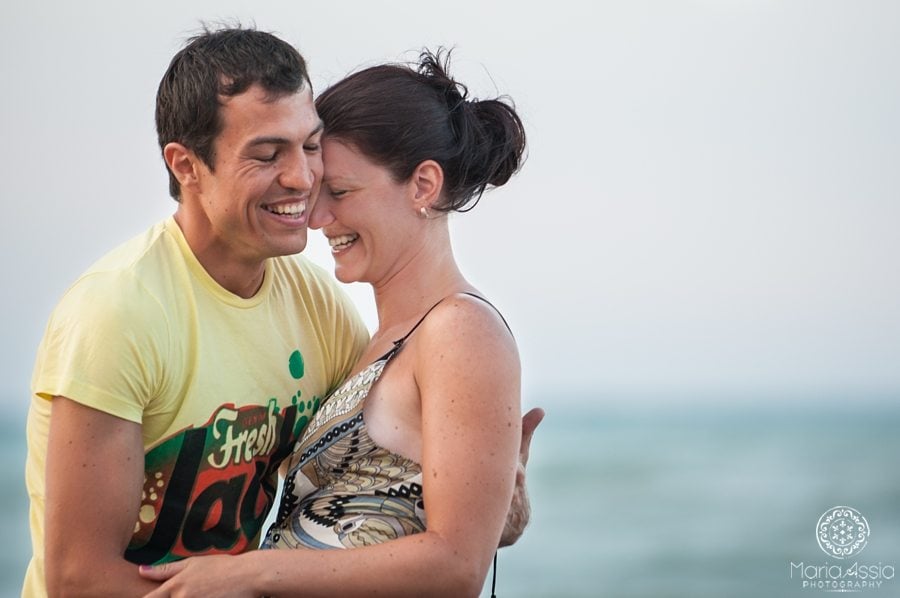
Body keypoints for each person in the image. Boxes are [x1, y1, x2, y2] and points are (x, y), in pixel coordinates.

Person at [23, 26, 541, 598]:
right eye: (268, 154)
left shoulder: (324, 310)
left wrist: (489, 501)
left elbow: (413, 515)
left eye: (311, 151)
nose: (305, 191)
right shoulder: (118, 312)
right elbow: (79, 580)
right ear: (186, 166)